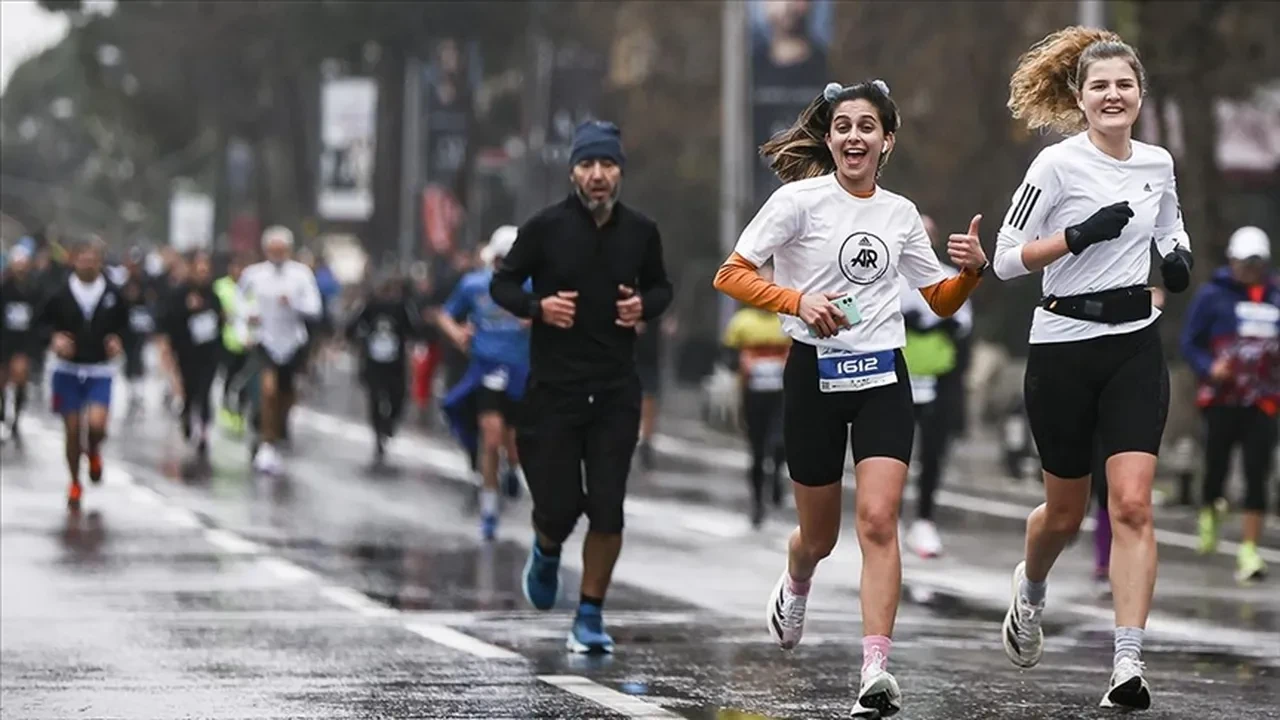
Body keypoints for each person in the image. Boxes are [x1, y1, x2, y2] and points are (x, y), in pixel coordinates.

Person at [713, 79, 988, 718]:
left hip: (882, 377)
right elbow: (730, 274)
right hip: (813, 376)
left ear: (887, 140)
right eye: (843, 127)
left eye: (867, 126)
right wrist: (797, 301)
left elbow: (939, 300)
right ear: (831, 138)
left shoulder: (899, 214)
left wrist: (973, 271)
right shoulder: (797, 202)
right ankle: (797, 577)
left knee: (879, 520)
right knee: (820, 536)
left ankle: (875, 669)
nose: (854, 136)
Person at [992, 27, 1195, 711]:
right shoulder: (1055, 166)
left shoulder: (1158, 162)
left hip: (1134, 344)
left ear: (1140, 94)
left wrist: (1178, 257)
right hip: (1063, 346)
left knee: (1132, 503)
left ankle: (1127, 662)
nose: (1113, 96)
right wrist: (1075, 237)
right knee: (1064, 512)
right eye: (1100, 86)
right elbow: (1004, 258)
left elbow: (1169, 226)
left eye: (1124, 85)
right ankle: (1031, 590)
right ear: (1079, 98)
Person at [491, 119, 673, 654]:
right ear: (573, 172)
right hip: (554, 392)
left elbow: (661, 288)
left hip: (615, 391)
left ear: (620, 173)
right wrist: (537, 306)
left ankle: (589, 615)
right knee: (559, 506)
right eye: (588, 164)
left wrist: (644, 306)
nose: (598, 175)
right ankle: (547, 549)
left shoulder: (641, 231)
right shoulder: (545, 228)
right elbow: (502, 282)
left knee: (609, 507)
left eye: (607, 165)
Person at [1180, 226, 1278, 583]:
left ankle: (1249, 549)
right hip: (1221, 398)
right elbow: (1190, 342)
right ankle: (1210, 510)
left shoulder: (1275, 296)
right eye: (1244, 264)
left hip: (1263, 400)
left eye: (1256, 265)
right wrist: (1209, 368)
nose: (1249, 271)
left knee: (1257, 472)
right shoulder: (1212, 296)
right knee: (1216, 465)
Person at [439, 226, 531, 540]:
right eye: (501, 260)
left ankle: (513, 469)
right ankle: (489, 509)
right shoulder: (474, 284)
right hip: (486, 369)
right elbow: (446, 314)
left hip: (520, 372)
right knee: (491, 439)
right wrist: (457, 333)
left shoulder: (533, 285)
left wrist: (537, 316)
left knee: (514, 440)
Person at [899, 213, 975, 559]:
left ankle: (924, 520)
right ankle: (889, 516)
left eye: (927, 234)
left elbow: (964, 325)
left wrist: (942, 326)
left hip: (937, 380)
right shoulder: (888, 279)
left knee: (932, 452)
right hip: (897, 377)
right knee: (893, 455)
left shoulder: (948, 276)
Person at [38, 237, 130, 510]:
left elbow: (128, 325)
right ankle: (75, 482)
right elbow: (40, 324)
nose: (87, 264)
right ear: (74, 260)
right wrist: (54, 339)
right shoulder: (59, 293)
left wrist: (119, 340)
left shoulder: (113, 294)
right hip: (67, 370)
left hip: (99, 369)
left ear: (100, 262)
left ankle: (94, 451)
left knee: (97, 425)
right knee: (73, 428)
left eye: (93, 259)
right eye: (83, 259)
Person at [238, 226, 323, 475]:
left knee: (286, 395)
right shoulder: (254, 275)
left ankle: (279, 428)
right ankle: (266, 443)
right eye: (273, 250)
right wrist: (248, 319)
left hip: (293, 342)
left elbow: (314, 308)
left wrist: (293, 303)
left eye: (282, 250)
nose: (277, 255)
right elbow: (238, 302)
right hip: (265, 340)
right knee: (268, 390)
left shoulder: (301, 275)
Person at [721, 271, 792, 528]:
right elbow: (728, 357)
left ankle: (777, 476)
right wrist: (743, 361)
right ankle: (757, 503)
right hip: (752, 394)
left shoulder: (788, 319)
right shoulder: (742, 322)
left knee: (780, 443)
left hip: (782, 394)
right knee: (757, 450)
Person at [346, 269, 422, 465]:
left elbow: (414, 329)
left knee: (397, 396)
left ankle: (388, 425)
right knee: (375, 397)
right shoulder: (370, 305)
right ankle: (378, 434)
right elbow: (352, 325)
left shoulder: (403, 307)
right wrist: (358, 339)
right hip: (373, 361)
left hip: (395, 362)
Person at [158, 252, 224, 458]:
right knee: (190, 389)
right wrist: (187, 309)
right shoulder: (180, 293)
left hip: (209, 351)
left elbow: (220, 320)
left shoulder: (213, 295)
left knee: (205, 390)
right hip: (186, 350)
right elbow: (168, 320)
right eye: (199, 269)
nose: (203, 274)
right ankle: (187, 415)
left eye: (206, 270)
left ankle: (204, 431)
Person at [0, 243, 40, 443]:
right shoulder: (4, 287)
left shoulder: (34, 288)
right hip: (3, 339)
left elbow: (40, 316)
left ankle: (16, 419)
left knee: (20, 376)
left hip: (24, 341)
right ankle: (2, 416)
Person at [214, 255, 250, 433]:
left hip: (247, 342)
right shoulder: (220, 286)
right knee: (228, 377)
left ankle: (241, 412)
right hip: (227, 340)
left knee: (244, 380)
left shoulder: (249, 287)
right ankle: (227, 408)